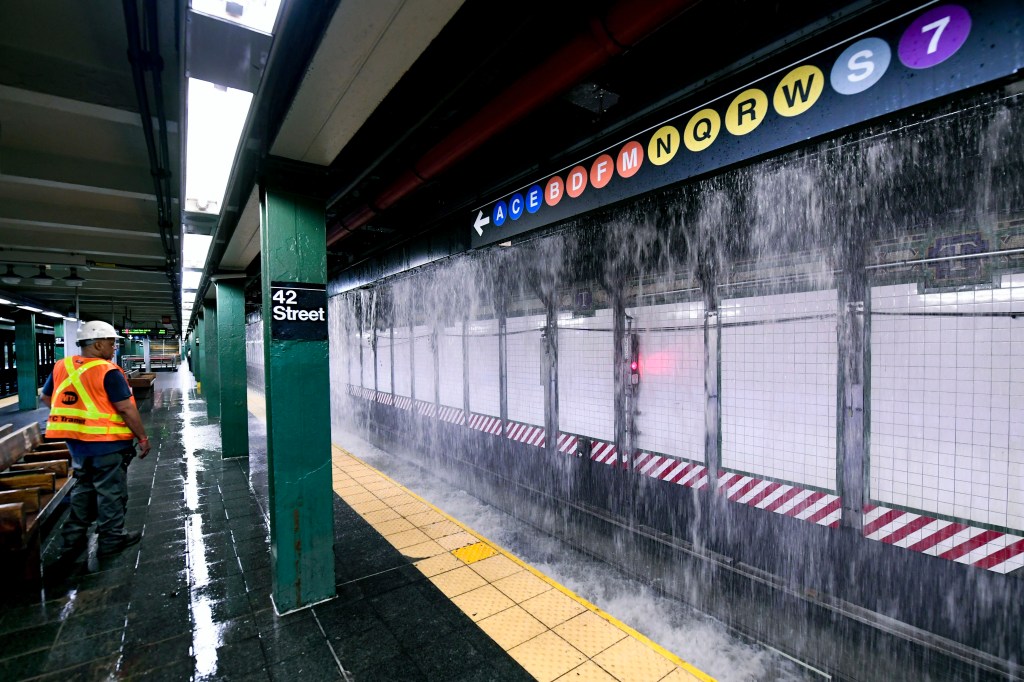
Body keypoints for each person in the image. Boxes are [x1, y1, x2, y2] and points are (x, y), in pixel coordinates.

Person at [41, 320, 152, 560]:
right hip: (107, 443)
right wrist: (142, 436)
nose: (114, 348)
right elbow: (125, 409)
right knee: (110, 492)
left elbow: (46, 397)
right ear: (98, 344)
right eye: (111, 344)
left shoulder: (62, 366)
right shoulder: (107, 371)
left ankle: (73, 540)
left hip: (77, 445)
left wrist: (75, 418)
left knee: (83, 488)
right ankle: (111, 540)